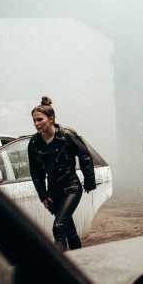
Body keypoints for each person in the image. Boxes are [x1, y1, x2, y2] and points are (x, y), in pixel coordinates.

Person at [28, 96, 96, 250]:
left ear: (51, 119)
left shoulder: (66, 135)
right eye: (34, 120)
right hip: (53, 192)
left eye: (40, 119)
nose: (36, 124)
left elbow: (85, 156)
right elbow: (36, 172)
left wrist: (89, 181)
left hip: (71, 188)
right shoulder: (34, 143)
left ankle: (59, 263)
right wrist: (43, 195)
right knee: (69, 231)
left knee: (58, 227)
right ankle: (80, 260)